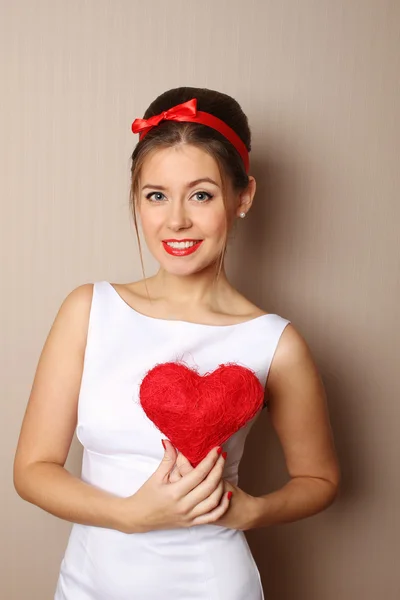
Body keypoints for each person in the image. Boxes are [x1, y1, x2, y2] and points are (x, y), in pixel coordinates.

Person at [13, 86, 340, 599]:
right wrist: (129, 515)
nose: (176, 221)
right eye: (156, 195)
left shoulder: (275, 342)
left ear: (243, 198)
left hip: (213, 584)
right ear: (137, 200)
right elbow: (32, 470)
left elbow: (319, 480)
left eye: (202, 194)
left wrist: (253, 509)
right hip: (88, 585)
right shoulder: (88, 310)